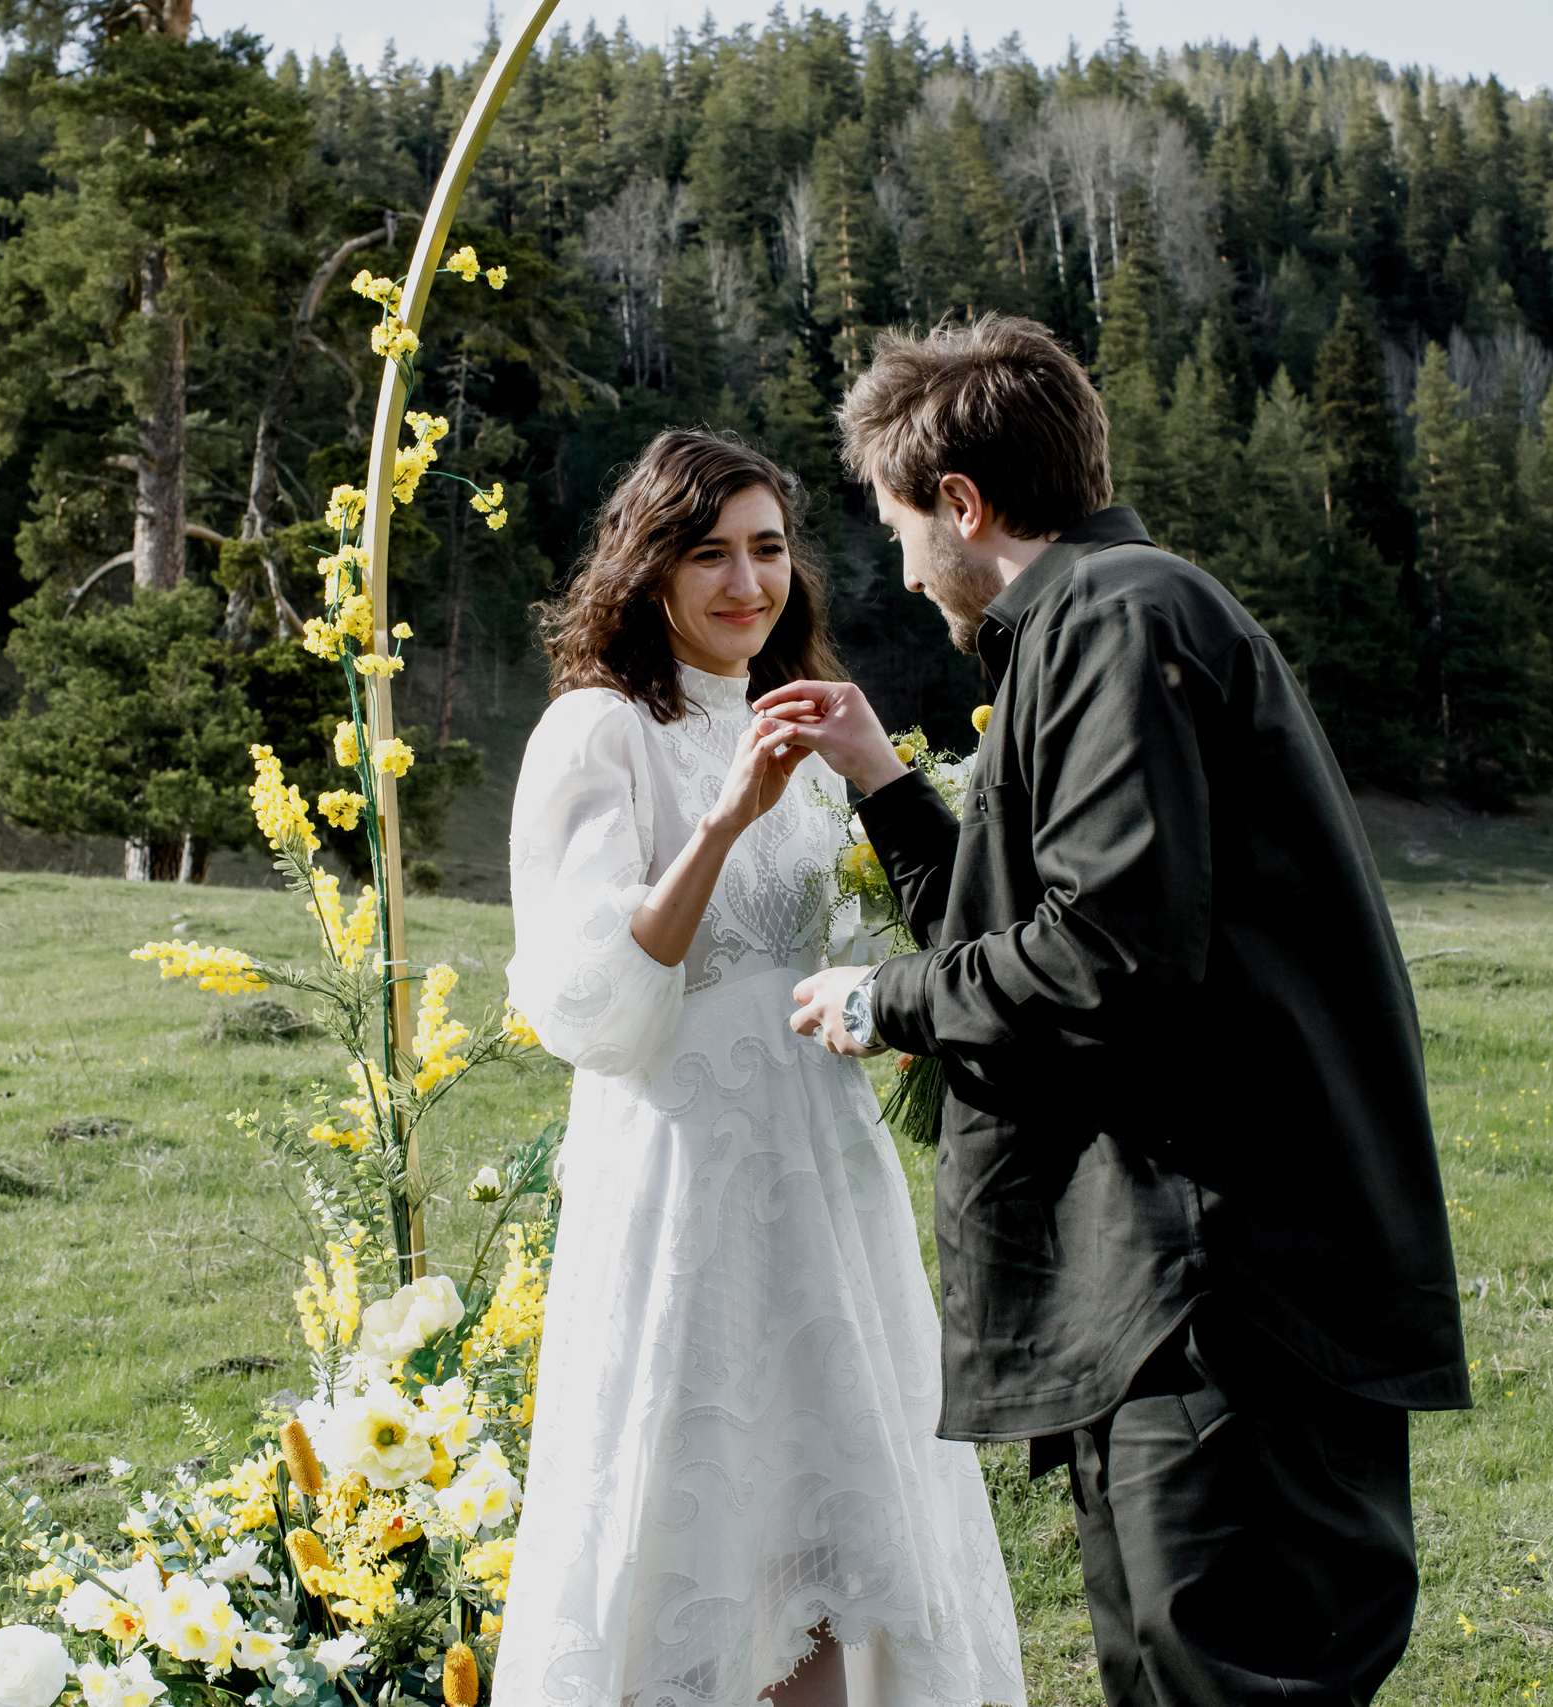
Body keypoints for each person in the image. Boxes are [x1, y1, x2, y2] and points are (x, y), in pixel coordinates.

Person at [761, 317, 1471, 1707]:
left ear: (963, 504)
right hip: (1173, 1294)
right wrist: (884, 786)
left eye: (903, 527)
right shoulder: (1099, 622)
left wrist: (880, 1000)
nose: (905, 571)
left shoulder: (1117, 617)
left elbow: (1107, 955)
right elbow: (1029, 924)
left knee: (1225, 1674)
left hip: (1222, 1289)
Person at [498, 428, 1027, 1707]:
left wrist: (870, 775)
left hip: (821, 1174)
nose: (747, 584)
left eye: (769, 550)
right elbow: (591, 998)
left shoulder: (810, 722)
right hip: (681, 1177)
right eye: (710, 555)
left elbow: (877, 943)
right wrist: (725, 810)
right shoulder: (598, 730)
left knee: (834, 1518)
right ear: (648, 570)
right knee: (699, 1515)